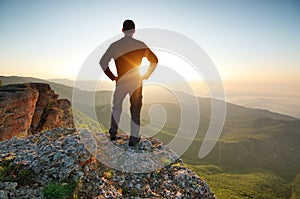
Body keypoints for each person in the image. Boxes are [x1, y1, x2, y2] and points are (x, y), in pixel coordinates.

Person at [100, 19, 158, 147]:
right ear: (134, 31)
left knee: (117, 107)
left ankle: (113, 133)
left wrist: (113, 77)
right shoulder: (140, 44)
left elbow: (103, 62)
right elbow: (155, 60)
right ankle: (134, 137)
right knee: (136, 109)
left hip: (121, 80)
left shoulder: (115, 45)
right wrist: (147, 74)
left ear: (122, 30)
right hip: (136, 81)